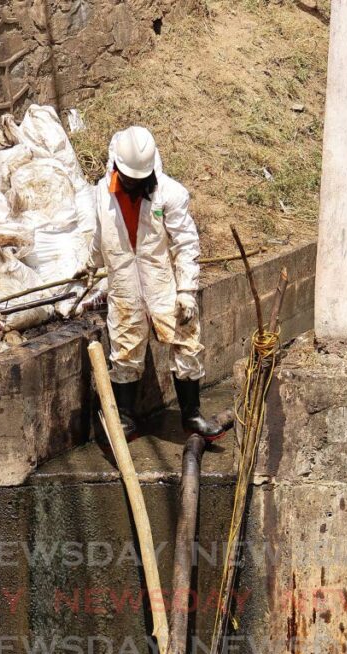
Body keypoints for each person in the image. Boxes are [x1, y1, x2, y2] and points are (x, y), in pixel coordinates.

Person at [87, 125, 225, 441]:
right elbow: (99, 236)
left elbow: (185, 243)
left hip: (161, 282)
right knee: (125, 348)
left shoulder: (170, 193)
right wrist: (89, 263)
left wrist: (187, 290)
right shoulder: (101, 194)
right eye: (130, 178)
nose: (135, 183)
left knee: (186, 342)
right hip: (123, 284)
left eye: (140, 178)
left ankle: (191, 416)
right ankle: (125, 418)